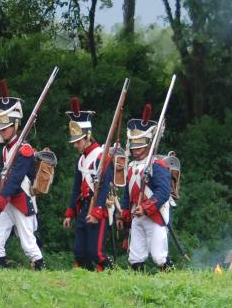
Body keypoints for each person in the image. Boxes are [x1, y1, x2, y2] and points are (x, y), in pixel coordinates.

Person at [0, 80, 45, 270]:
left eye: (5, 127)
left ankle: (40, 271)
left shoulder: (25, 150)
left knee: (29, 244)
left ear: (16, 125)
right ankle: (1, 274)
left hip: (20, 199)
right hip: (7, 200)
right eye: (0, 127)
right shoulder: (6, 150)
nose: (1, 131)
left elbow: (15, 180)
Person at [116, 104, 172, 271]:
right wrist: (124, 215)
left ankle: (173, 281)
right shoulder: (132, 166)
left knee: (159, 257)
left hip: (154, 215)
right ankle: (137, 287)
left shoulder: (158, 165)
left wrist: (146, 208)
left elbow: (163, 192)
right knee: (135, 257)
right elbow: (127, 194)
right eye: (133, 146)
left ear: (148, 144)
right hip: (137, 215)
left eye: (139, 146)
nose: (135, 150)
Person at [62, 97, 113, 270]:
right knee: (79, 252)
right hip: (84, 207)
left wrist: (97, 211)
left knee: (95, 253)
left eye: (78, 141)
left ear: (88, 136)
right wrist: (70, 213)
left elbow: (105, 187)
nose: (76, 145)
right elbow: (76, 189)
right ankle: (88, 281)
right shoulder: (81, 160)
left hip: (99, 206)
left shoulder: (101, 156)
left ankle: (111, 274)